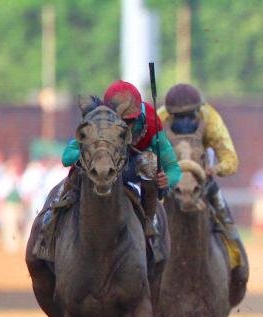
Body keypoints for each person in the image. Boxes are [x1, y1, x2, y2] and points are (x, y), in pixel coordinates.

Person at [35, 80, 182, 263]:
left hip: (131, 167)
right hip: (97, 170)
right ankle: (49, 225)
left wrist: (167, 180)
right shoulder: (96, 120)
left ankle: (148, 223)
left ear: (139, 114)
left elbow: (175, 169)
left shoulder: (151, 121)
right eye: (121, 121)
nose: (126, 126)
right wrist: (92, 151)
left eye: (131, 121)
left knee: (149, 162)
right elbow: (67, 157)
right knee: (77, 174)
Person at [158, 83, 245, 264]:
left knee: (223, 213)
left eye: (190, 116)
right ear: (169, 114)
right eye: (179, 117)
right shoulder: (159, 119)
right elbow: (146, 154)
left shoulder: (211, 118)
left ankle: (236, 258)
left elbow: (231, 160)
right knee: (149, 215)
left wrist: (215, 169)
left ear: (199, 111)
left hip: (202, 177)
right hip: (169, 178)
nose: (185, 122)